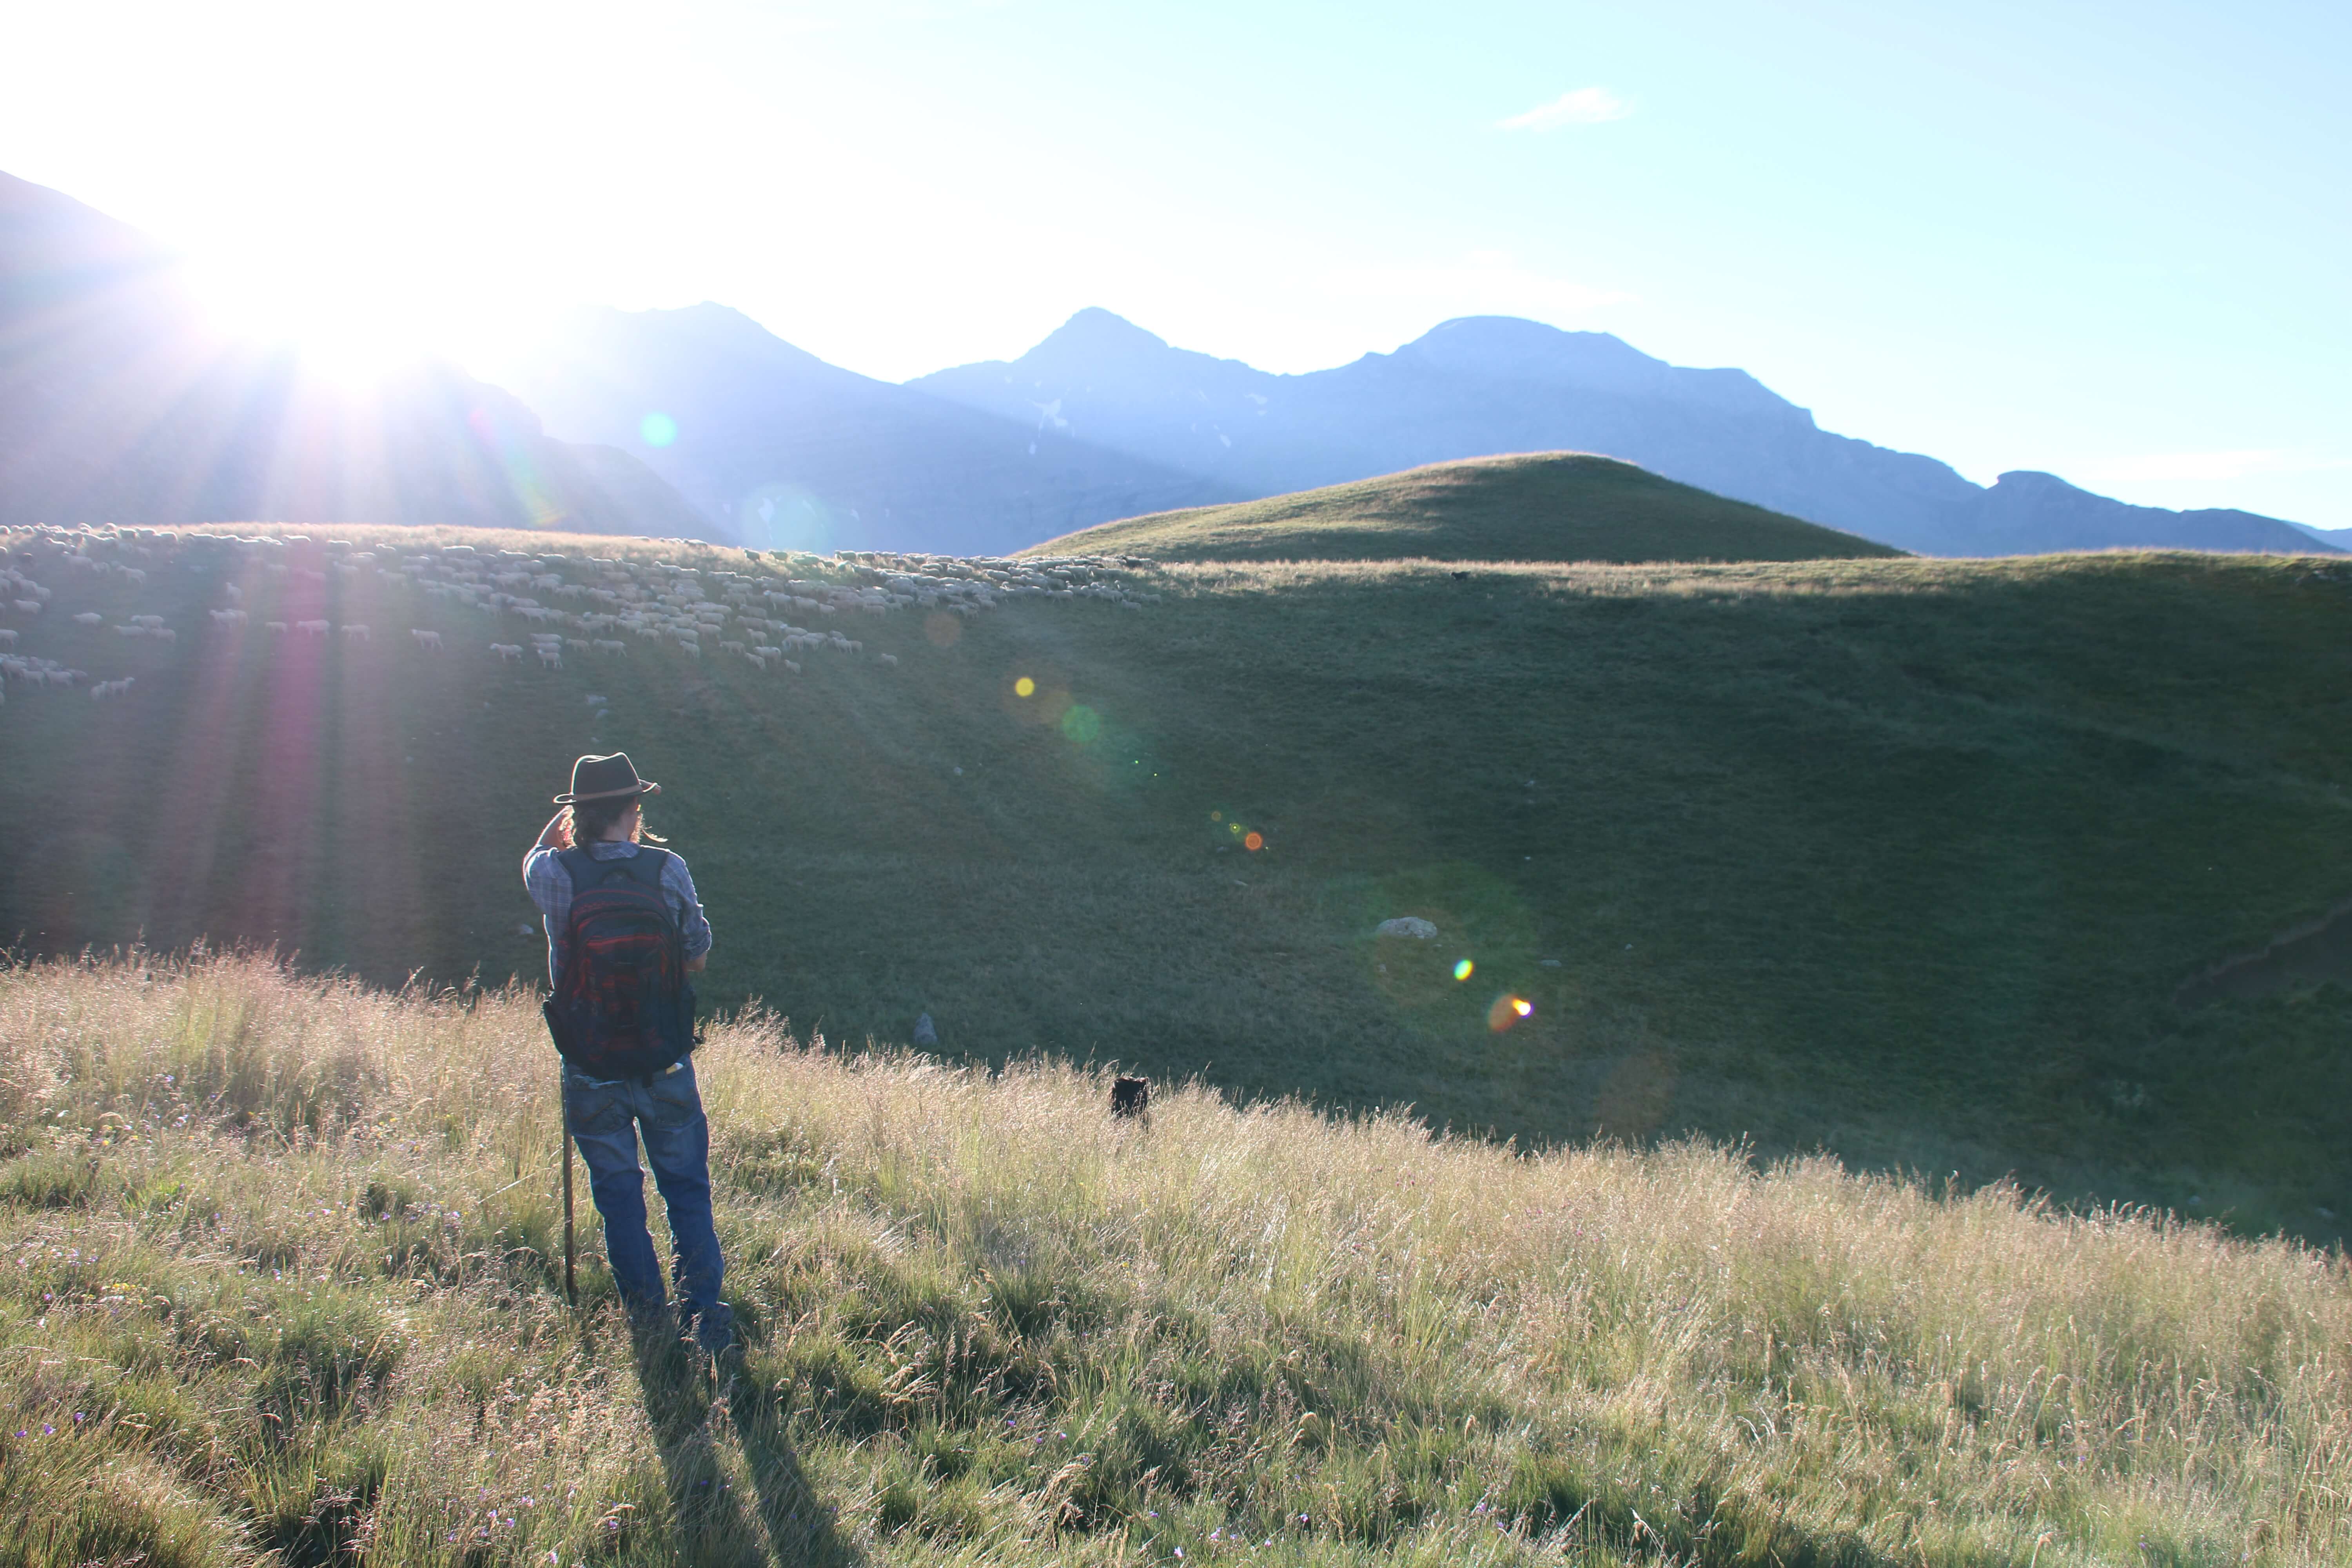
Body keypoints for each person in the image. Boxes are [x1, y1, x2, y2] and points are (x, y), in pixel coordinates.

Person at [523, 752, 732, 1354]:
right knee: (685, 1188)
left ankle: (647, 1322)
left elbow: (530, 863)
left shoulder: (555, 874)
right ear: (634, 811)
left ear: (578, 816)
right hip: (664, 1057)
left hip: (590, 1064)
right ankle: (706, 1320)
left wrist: (554, 833)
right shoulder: (667, 870)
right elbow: (696, 954)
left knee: (619, 1197)